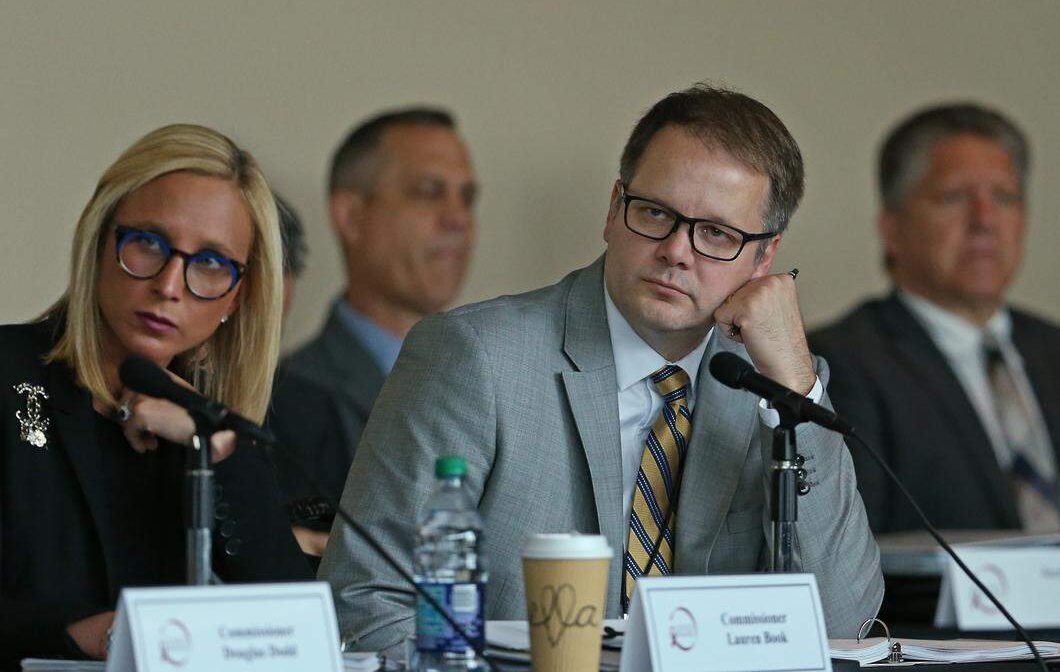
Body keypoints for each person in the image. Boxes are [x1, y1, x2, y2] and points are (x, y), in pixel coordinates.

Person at [319, 84, 884, 654]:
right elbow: (367, 606)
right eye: (656, 213)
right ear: (614, 210)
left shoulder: (767, 386)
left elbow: (842, 623)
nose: (676, 251)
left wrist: (795, 382)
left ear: (764, 257)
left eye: (717, 233)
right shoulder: (474, 357)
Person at [0, 124, 311, 665]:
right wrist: (89, 635)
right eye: (147, 243)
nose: (169, 284)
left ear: (236, 298)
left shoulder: (210, 428)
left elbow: (289, 628)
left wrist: (215, 447)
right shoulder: (9, 377)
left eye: (210, 263)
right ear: (99, 241)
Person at [809, 103, 1060, 548]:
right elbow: (849, 559)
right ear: (891, 228)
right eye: (954, 197)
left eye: (1004, 197)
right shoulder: (839, 363)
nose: (985, 220)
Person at [270, 107, 477, 548]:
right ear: (351, 218)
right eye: (428, 192)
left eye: (467, 197)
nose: (458, 218)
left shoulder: (494, 383)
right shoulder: (286, 400)